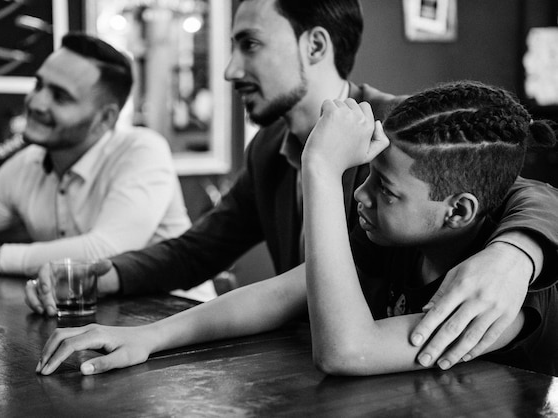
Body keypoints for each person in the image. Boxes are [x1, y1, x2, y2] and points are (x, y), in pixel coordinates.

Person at [27, 0, 558, 368]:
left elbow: (521, 191)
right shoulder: (276, 153)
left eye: (249, 45)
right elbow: (223, 259)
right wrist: (133, 316)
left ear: (316, 44)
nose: (230, 69)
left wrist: (520, 250)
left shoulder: (405, 133)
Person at [302, 81, 558, 375]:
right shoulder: (394, 238)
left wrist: (321, 169)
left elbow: (345, 353)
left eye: (386, 189)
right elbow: (280, 296)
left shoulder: (500, 293)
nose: (361, 193)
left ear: (458, 211)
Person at [0, 33, 190, 277]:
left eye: (60, 97)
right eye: (39, 85)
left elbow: (105, 252)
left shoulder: (142, 151)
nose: (35, 103)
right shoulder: (27, 163)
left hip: (177, 313)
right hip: (98, 318)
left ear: (105, 118)